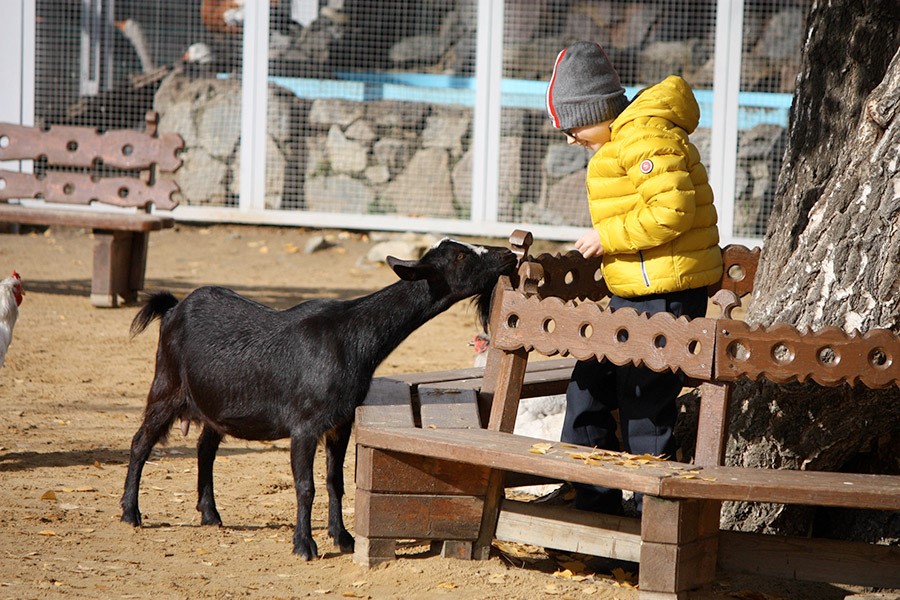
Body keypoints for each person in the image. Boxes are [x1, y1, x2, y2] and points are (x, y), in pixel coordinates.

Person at [545, 40, 723, 514]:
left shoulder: (643, 137)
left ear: (599, 109)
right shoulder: (623, 139)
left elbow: (673, 209)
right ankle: (591, 502)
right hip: (636, 294)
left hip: (665, 296)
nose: (570, 139)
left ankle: (653, 518)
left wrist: (609, 237)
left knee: (644, 403)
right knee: (590, 386)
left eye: (573, 125)